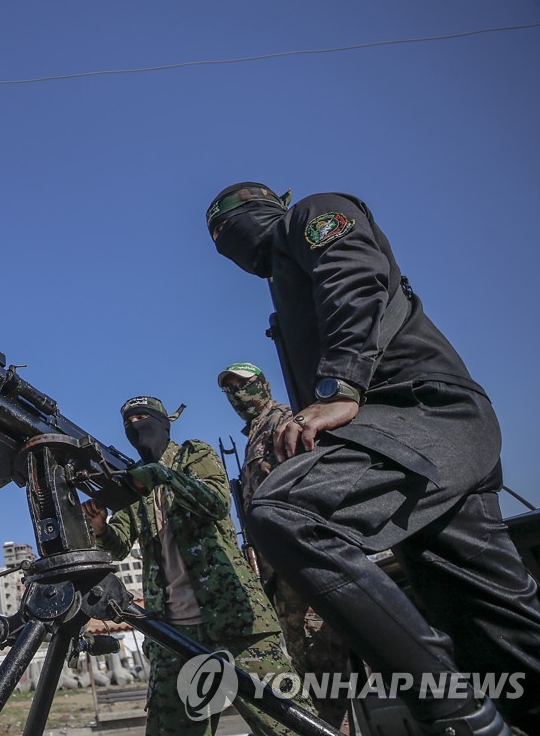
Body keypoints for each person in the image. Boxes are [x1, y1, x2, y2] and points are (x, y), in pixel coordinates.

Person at [207, 183, 540, 735]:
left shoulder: (313, 215)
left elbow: (352, 272)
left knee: (284, 509)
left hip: (425, 414)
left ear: (257, 211)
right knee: (488, 619)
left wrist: (340, 385)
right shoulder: (283, 294)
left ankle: (458, 717)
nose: (226, 244)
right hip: (413, 442)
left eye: (225, 228)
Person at [82, 395, 310, 736]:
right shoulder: (134, 485)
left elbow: (216, 503)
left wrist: (162, 476)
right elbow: (118, 545)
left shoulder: (194, 454)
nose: (135, 426)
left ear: (162, 422)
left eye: (142, 417)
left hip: (235, 621)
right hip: (171, 633)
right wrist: (99, 527)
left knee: (285, 722)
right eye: (128, 421)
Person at [218, 361, 352, 732]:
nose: (237, 396)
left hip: (303, 560)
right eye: (229, 390)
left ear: (262, 384)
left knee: (326, 675)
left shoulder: (285, 421)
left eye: (242, 386)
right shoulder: (253, 436)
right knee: (304, 672)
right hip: (278, 569)